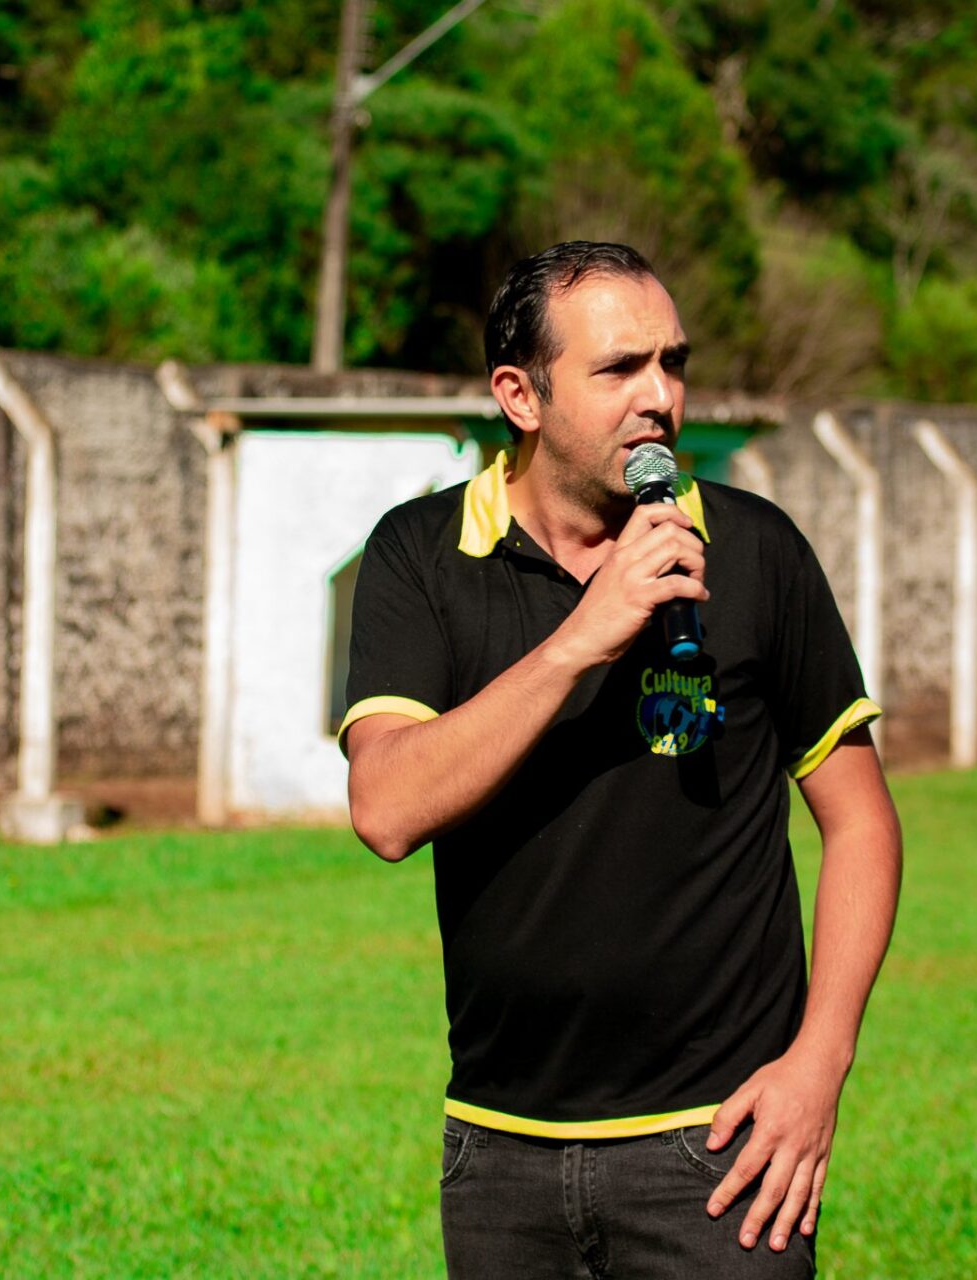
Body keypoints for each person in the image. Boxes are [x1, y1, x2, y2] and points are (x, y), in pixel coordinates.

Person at [340, 241, 902, 1277]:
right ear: (520, 393)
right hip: (498, 1148)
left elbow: (861, 818)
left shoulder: (754, 549)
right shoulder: (420, 555)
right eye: (618, 369)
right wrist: (580, 640)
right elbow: (385, 807)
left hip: (724, 1151)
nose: (659, 397)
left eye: (672, 363)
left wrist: (820, 1062)